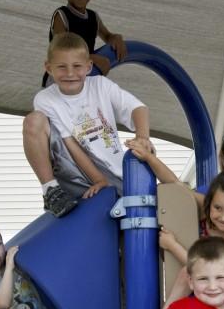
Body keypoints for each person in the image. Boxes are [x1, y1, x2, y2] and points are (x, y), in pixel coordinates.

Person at [23, 32, 152, 217]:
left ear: (88, 66)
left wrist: (142, 137)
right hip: (74, 168)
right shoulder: (46, 99)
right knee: (33, 121)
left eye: (77, 66)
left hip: (114, 171)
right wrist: (98, 180)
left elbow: (138, 108)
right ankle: (51, 190)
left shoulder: (100, 85)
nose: (70, 73)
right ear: (48, 68)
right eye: (61, 67)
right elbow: (70, 143)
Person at [125, 141, 224, 307]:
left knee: (187, 271)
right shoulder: (207, 208)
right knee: (186, 274)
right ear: (210, 202)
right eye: (218, 208)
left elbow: (206, 268)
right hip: (200, 285)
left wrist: (172, 245)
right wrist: (149, 158)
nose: (223, 217)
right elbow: (174, 184)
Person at [42, 0, 127, 85]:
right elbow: (61, 49)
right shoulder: (61, 15)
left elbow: (108, 36)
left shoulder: (93, 17)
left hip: (83, 76)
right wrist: (91, 58)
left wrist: (116, 38)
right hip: (59, 79)